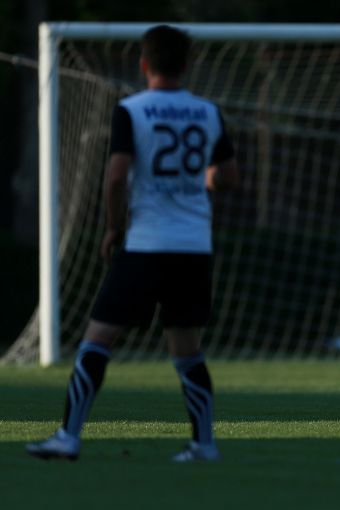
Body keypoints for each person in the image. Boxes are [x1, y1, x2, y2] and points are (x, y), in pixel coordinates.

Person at [26, 25, 239, 462]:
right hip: (193, 247)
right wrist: (198, 181)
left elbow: (117, 175)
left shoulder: (131, 110)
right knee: (187, 352)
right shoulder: (207, 111)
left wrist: (113, 228)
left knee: (97, 340)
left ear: (144, 64)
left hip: (146, 244)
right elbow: (228, 176)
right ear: (186, 65)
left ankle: (68, 436)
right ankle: (204, 444)